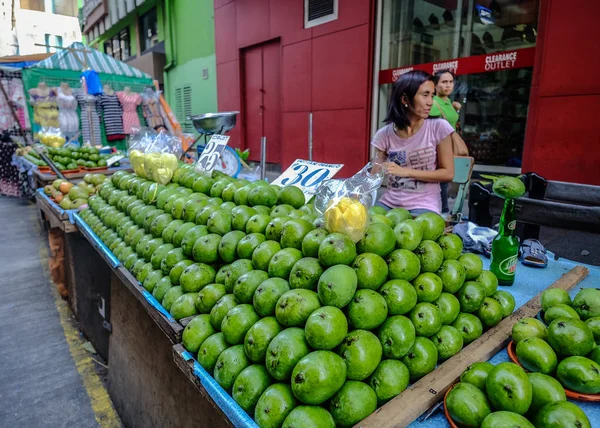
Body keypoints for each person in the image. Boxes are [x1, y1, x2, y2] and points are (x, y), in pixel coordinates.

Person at [372, 70, 454, 215]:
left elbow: (448, 173)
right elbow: (374, 174)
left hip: (424, 204)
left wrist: (406, 172)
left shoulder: (438, 127)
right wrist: (376, 171)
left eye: (432, 95)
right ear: (404, 99)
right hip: (389, 203)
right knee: (364, 226)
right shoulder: (384, 134)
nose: (430, 102)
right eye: (425, 95)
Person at [429, 69, 467, 214]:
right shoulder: (433, 104)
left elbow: (449, 123)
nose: (448, 85)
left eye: (451, 82)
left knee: (446, 181)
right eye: (444, 82)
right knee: (441, 181)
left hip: (449, 146)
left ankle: (442, 210)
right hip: (437, 148)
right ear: (435, 84)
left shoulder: (449, 102)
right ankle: (441, 211)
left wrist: (455, 109)